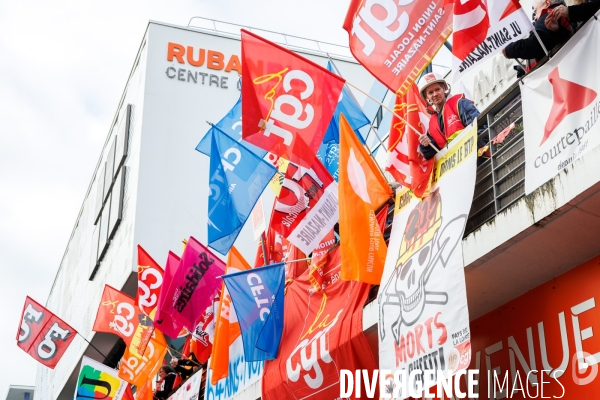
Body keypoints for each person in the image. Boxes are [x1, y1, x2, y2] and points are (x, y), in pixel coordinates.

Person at [416, 72, 487, 161]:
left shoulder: (460, 104)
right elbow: (430, 154)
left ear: (444, 88)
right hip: (458, 170)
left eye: (437, 89)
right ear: (427, 97)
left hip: (478, 160)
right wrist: (425, 145)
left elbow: (482, 126)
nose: (435, 94)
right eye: (430, 92)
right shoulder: (432, 127)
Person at [503, 0, 571, 62]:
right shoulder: (564, 15)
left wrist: (509, 50)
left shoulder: (548, 15)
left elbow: (536, 45)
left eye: (535, 11)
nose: (535, 18)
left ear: (547, 3)